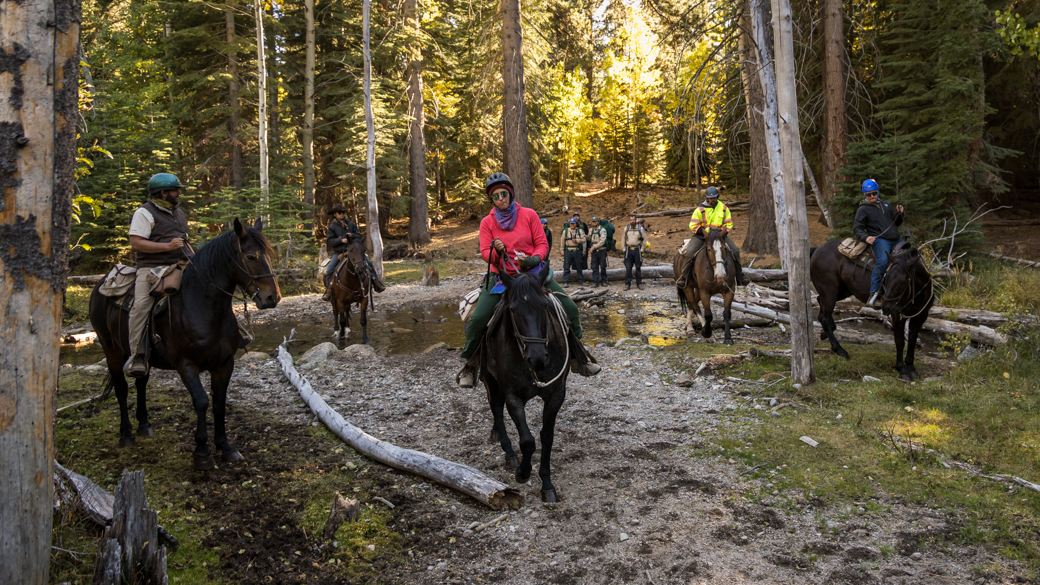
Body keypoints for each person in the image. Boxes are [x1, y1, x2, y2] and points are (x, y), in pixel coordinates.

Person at [458, 172, 599, 388]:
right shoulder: (487, 222)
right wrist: (496, 253)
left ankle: (578, 358)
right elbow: (485, 253)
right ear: (492, 200)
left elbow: (542, 243)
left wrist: (533, 259)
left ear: (510, 193)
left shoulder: (529, 215)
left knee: (570, 308)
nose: (500, 199)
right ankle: (471, 363)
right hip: (502, 278)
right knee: (478, 319)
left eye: (503, 194)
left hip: (534, 275)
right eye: (495, 196)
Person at [124, 173, 191, 378]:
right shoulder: (144, 213)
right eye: (174, 190)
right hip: (152, 269)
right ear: (163, 193)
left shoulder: (177, 212)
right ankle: (137, 356)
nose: (178, 193)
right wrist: (167, 246)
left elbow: (184, 241)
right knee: (141, 305)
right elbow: (136, 243)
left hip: (180, 263)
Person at [675, 186, 749, 288]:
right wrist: (702, 231)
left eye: (714, 198)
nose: (712, 200)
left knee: (735, 250)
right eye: (710, 198)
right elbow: (693, 224)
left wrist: (723, 232)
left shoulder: (724, 208)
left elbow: (728, 223)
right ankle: (684, 277)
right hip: (702, 236)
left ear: (717, 197)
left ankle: (740, 276)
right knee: (690, 252)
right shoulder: (700, 209)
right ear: (707, 198)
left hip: (720, 236)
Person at [853, 178, 904, 306]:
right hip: (880, 240)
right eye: (869, 194)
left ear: (877, 192)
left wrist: (899, 214)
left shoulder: (885, 205)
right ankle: (874, 293)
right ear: (865, 195)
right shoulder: (863, 209)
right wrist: (866, 237)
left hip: (896, 239)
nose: (872, 196)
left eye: (874, 193)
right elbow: (857, 228)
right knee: (882, 262)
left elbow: (895, 223)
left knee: (910, 255)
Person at [322, 204, 385, 301]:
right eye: (340, 212)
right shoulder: (332, 227)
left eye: (343, 212)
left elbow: (358, 236)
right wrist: (341, 240)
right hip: (339, 252)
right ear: (335, 214)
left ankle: (377, 283)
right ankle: (328, 292)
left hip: (354, 251)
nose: (342, 214)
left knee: (369, 263)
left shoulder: (351, 224)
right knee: (329, 270)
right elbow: (330, 241)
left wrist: (352, 235)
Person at [622, 214, 647, 290]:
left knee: (638, 268)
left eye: (633, 220)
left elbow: (645, 239)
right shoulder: (626, 229)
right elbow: (623, 239)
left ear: (636, 220)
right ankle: (627, 284)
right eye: (631, 220)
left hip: (637, 250)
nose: (632, 221)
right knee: (628, 268)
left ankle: (639, 283)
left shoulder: (640, 229)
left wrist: (642, 249)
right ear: (629, 220)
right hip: (629, 250)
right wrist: (623, 249)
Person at [561, 218, 586, 285]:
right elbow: (562, 242)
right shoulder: (565, 231)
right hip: (568, 250)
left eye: (574, 223)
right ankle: (565, 281)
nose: (572, 225)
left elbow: (584, 240)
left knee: (579, 266)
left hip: (577, 251)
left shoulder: (579, 231)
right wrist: (562, 251)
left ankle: (581, 281)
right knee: (566, 266)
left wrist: (577, 240)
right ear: (569, 224)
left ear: (576, 224)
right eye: (571, 223)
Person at [588, 217, 609, 287]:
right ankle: (595, 282)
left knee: (603, 266)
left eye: (595, 221)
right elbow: (588, 238)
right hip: (594, 251)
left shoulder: (602, 230)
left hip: (602, 250)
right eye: (593, 221)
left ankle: (604, 281)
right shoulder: (591, 230)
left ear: (598, 222)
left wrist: (594, 247)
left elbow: (602, 241)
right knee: (594, 266)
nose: (594, 223)